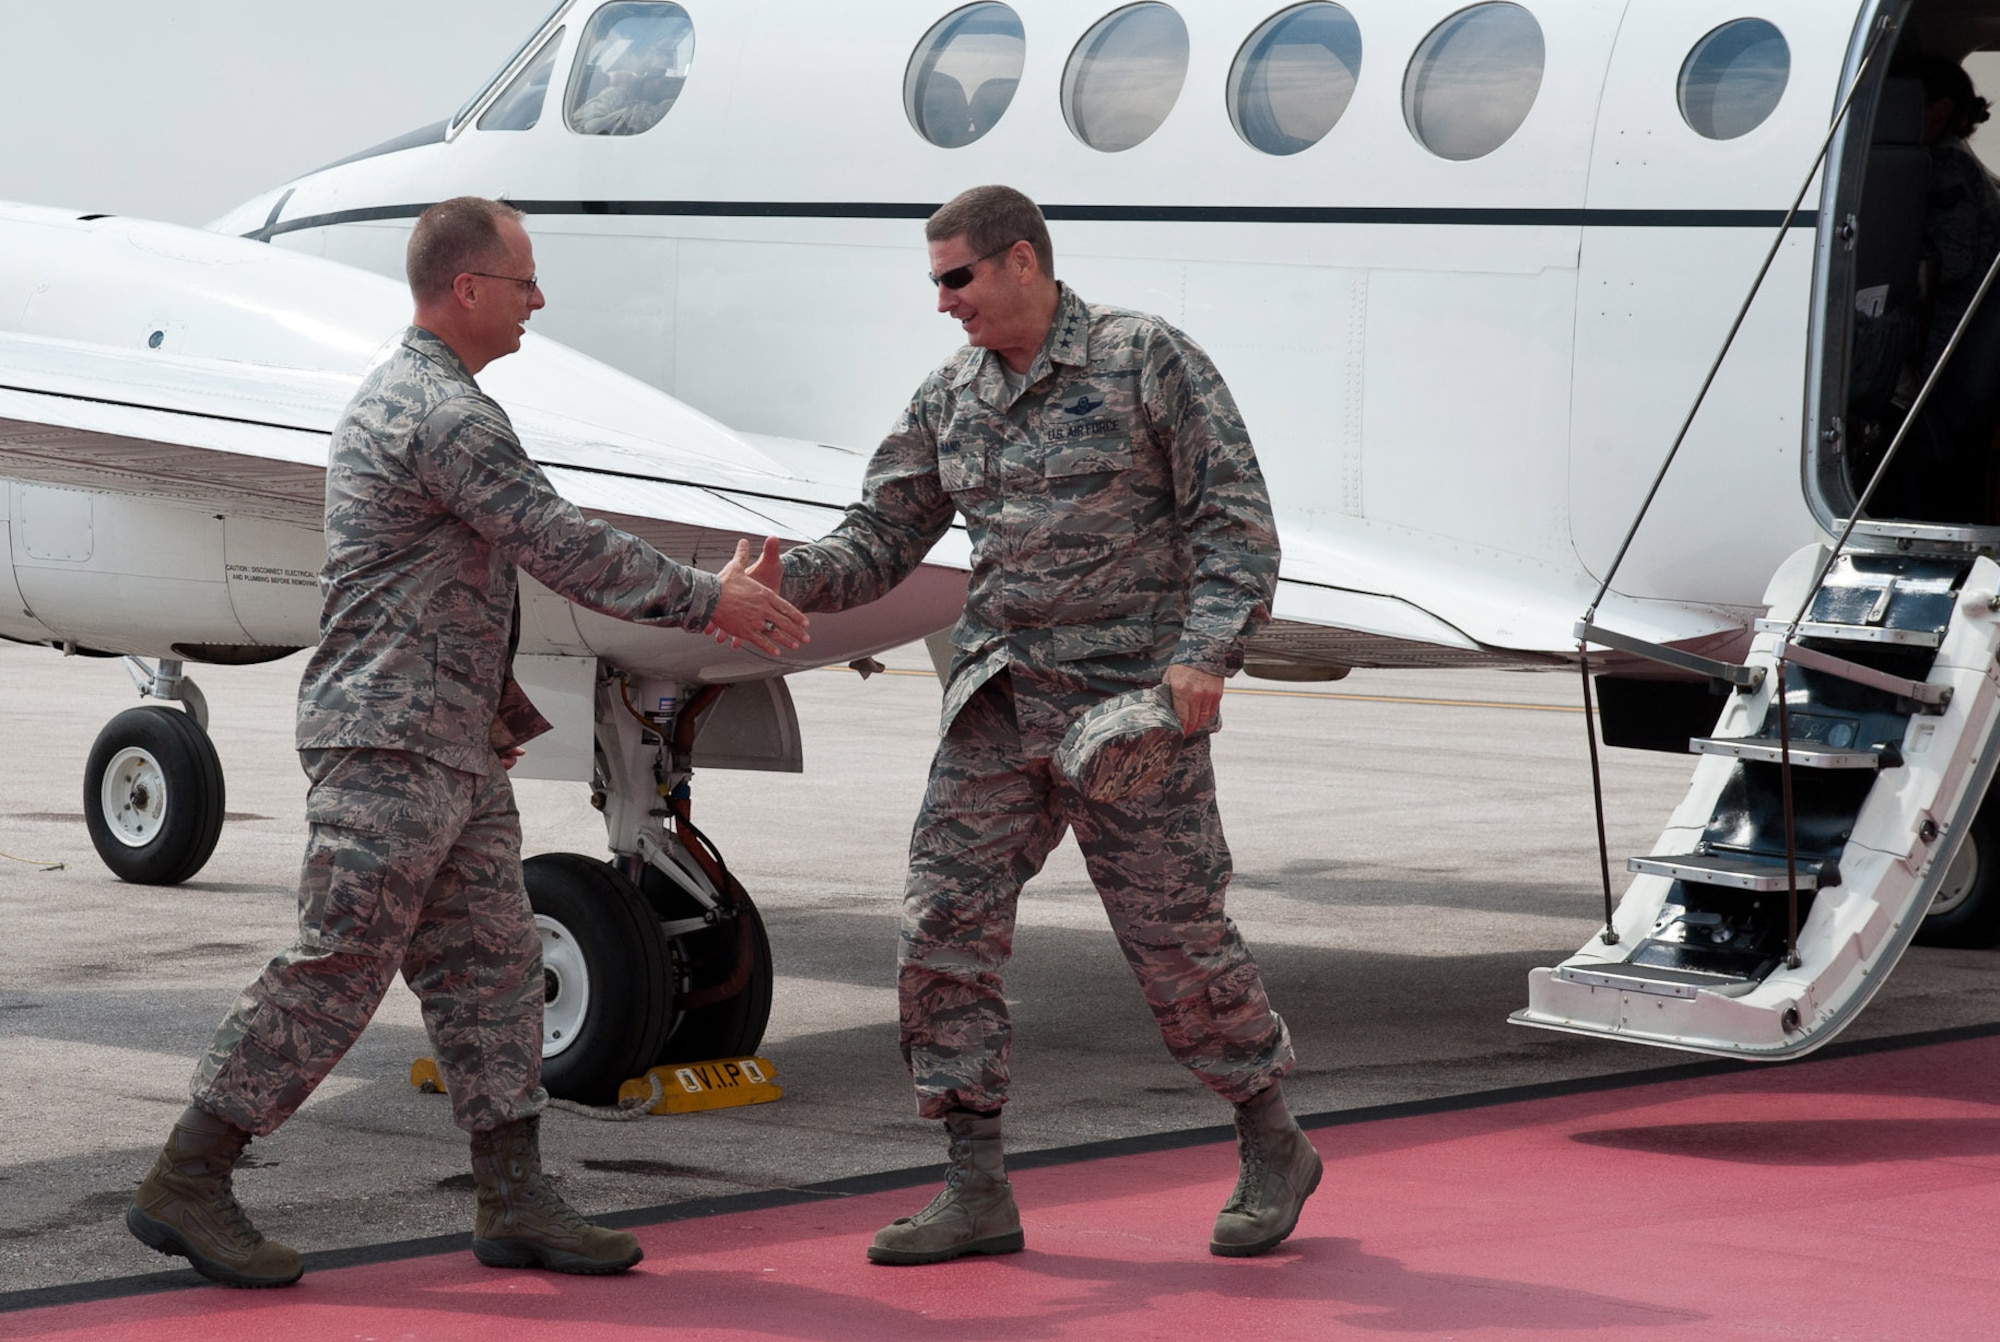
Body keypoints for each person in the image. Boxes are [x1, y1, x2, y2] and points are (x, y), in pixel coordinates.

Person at [124, 196, 808, 1288]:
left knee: (494, 968)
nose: (540, 299)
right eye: (525, 278)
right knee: (340, 963)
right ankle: (190, 1176)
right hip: (392, 742)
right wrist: (703, 599)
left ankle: (514, 1193)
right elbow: (554, 537)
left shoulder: (440, 403)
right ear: (468, 288)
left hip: (448, 746)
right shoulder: (438, 413)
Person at [755, 185, 1316, 1264]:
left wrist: (1204, 657)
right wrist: (784, 581)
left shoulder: (1143, 357)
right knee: (939, 930)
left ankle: (1269, 1138)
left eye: (956, 278)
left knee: (1178, 946)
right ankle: (974, 1187)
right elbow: (878, 539)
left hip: (1126, 719)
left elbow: (1233, 520)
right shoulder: (947, 397)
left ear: (1021, 260)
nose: (943, 303)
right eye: (933, 283)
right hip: (997, 708)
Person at [1879, 58, 2000, 521]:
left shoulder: (1947, 167)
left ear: (1939, 109)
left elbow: (1952, 261)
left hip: (1953, 340)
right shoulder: (1957, 162)